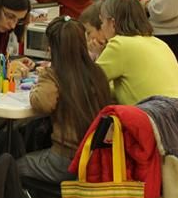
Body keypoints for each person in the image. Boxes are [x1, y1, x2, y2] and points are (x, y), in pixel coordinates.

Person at [15, 17, 113, 183]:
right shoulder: (97, 72)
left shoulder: (54, 74)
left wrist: (38, 84)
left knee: (13, 167)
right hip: (93, 158)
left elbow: (42, 103)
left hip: (65, 159)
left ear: (51, 47)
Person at [96, 0, 178, 105]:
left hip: (153, 112)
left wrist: (95, 54)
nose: (101, 27)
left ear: (113, 24)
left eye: (101, 22)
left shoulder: (119, 44)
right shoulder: (160, 43)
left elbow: (88, 83)